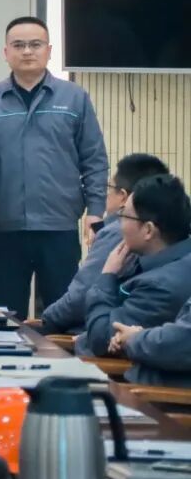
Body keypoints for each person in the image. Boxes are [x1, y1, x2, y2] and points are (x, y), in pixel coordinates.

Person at [0, 16, 109, 319]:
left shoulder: (74, 98)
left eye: (35, 44)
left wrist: (96, 211)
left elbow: (94, 158)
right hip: (4, 228)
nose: (27, 51)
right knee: (7, 316)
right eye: (18, 45)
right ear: (6, 52)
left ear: (49, 50)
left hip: (58, 227)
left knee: (62, 315)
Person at [41, 153, 170, 334]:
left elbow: (81, 296)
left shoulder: (118, 231)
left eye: (109, 187)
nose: (105, 194)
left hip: (94, 332)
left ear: (123, 196)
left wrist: (46, 320)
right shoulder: (164, 227)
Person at [80, 174, 191, 356]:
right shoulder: (168, 260)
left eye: (123, 215)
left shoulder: (160, 286)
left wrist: (107, 276)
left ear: (148, 230)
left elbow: (101, 339)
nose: (119, 225)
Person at [109, 296, 191, 388]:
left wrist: (132, 338)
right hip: (149, 385)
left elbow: (177, 343)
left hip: (159, 391)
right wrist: (137, 335)